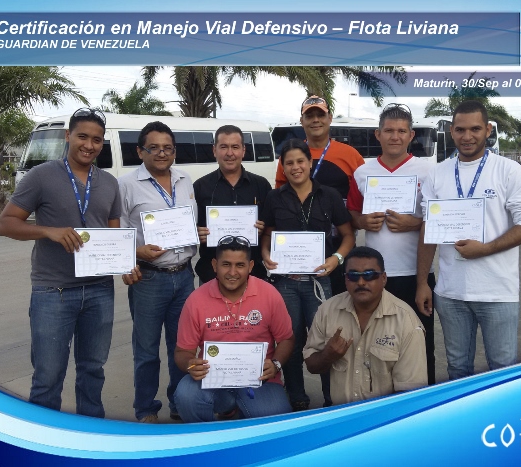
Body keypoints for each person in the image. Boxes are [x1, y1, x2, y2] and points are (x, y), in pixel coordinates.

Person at [0, 108, 134, 418]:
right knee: (47, 377)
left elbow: (115, 231)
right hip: (53, 291)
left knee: (92, 371)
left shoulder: (110, 183)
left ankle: (90, 437)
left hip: (99, 291)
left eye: (97, 140)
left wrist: (127, 263)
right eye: (83, 136)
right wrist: (47, 230)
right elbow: (5, 224)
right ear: (68, 136)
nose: (89, 145)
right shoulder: (42, 175)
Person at [416, 100, 521, 380]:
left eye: (475, 129)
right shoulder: (437, 173)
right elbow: (428, 230)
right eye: (460, 129)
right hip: (450, 293)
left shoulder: (508, 170)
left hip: (498, 292)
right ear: (451, 131)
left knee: (503, 368)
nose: (467, 136)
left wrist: (486, 249)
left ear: (488, 129)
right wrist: (422, 282)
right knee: (458, 369)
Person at [262, 139, 355, 410]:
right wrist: (265, 254)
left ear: (310, 163)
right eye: (289, 163)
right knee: (290, 340)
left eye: (300, 161)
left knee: (325, 341)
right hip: (286, 283)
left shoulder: (329, 195)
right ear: (283, 166)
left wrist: (336, 258)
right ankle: (297, 397)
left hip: (319, 281)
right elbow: (266, 234)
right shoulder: (274, 197)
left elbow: (348, 235)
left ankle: (331, 398)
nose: (295, 167)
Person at [347, 103, 436, 385]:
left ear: (411, 135)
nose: (394, 136)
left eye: (401, 131)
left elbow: (440, 219)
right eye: (388, 131)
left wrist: (415, 223)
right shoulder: (363, 172)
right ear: (378, 134)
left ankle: (423, 406)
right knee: (375, 347)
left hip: (415, 275)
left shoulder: (429, 171)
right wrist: (362, 222)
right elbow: (351, 213)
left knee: (420, 346)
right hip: (372, 277)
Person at [118, 121, 198, 423]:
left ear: (174, 150)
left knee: (182, 346)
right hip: (149, 278)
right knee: (147, 350)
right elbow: (119, 230)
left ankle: (179, 401)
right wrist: (130, 258)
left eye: (168, 148)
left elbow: (189, 222)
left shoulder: (184, 179)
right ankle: (146, 409)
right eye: (154, 148)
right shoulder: (126, 184)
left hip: (184, 275)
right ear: (141, 150)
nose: (161, 153)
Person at [174, 236, 294, 422]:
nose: (232, 272)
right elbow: (182, 352)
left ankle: (239, 411)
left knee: (276, 418)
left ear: (251, 266)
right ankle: (208, 441)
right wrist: (191, 365)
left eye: (240, 265)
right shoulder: (196, 300)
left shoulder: (269, 294)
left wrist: (276, 364)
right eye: (226, 264)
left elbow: (286, 338)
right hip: (211, 380)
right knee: (186, 395)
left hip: (260, 381)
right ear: (214, 265)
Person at [304, 247, 427, 405]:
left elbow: (410, 396)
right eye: (353, 276)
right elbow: (311, 366)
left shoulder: (407, 322)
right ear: (345, 279)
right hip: (341, 415)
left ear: (383, 278)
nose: (361, 282)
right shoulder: (327, 311)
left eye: (369, 275)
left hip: (384, 420)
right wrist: (327, 356)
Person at [275, 95, 365, 296]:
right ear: (302, 121)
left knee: (339, 313)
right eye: (310, 116)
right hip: (298, 251)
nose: (315, 120)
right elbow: (279, 198)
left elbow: (361, 200)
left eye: (320, 115)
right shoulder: (290, 157)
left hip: (338, 248)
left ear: (330, 118)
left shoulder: (351, 155)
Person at [194, 125, 272, 284]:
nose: (230, 153)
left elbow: (271, 227)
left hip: (254, 274)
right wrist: (196, 233)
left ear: (243, 150)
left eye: (235, 147)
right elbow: (189, 227)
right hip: (211, 275)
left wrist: (264, 229)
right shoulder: (200, 187)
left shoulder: (261, 185)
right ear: (214, 150)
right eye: (223, 147)